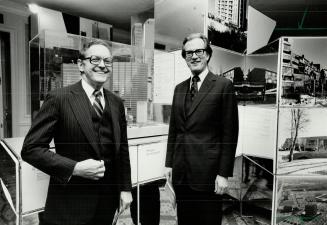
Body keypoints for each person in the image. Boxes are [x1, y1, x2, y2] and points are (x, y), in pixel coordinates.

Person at [21, 39, 132, 225]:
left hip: (106, 201)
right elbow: (31, 149)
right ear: (81, 65)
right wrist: (75, 168)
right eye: (95, 60)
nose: (102, 66)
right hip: (70, 203)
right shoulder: (59, 99)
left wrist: (126, 188)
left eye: (107, 61)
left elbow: (122, 150)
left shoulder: (116, 103)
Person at [164, 33, 239, 225]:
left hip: (208, 175)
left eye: (199, 51)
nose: (194, 56)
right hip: (182, 173)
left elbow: (230, 134)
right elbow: (174, 129)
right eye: (189, 53)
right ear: (184, 57)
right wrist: (169, 163)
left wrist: (223, 174)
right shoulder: (179, 89)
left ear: (208, 54)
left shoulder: (223, 86)